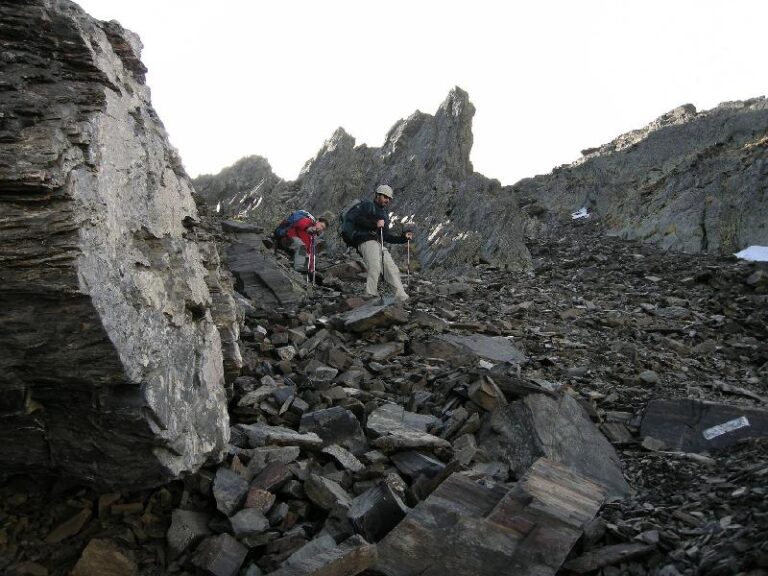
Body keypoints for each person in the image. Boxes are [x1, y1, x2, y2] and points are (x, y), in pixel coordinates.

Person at [346, 184, 413, 302]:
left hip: (377, 243)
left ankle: (401, 297)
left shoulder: (384, 214)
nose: (387, 200)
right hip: (365, 240)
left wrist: (403, 239)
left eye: (389, 198)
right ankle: (370, 293)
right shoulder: (367, 205)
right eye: (385, 197)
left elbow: (386, 236)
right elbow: (357, 219)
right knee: (375, 265)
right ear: (377, 195)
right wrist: (375, 224)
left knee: (392, 268)